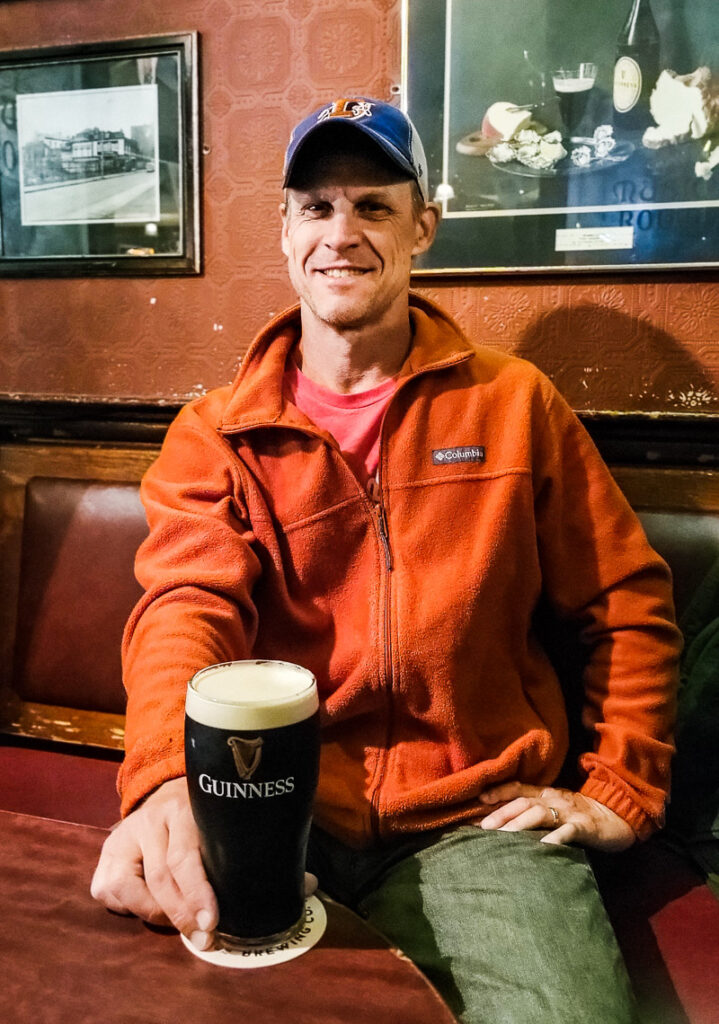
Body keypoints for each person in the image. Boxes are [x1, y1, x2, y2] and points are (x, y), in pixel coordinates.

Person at [92, 97, 681, 1023]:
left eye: (373, 206)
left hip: (480, 822)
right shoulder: (214, 434)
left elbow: (624, 600)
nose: (341, 232)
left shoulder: (516, 405)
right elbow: (183, 608)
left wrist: (622, 786)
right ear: (284, 232)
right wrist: (167, 774)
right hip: (271, 802)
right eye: (317, 207)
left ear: (424, 227)